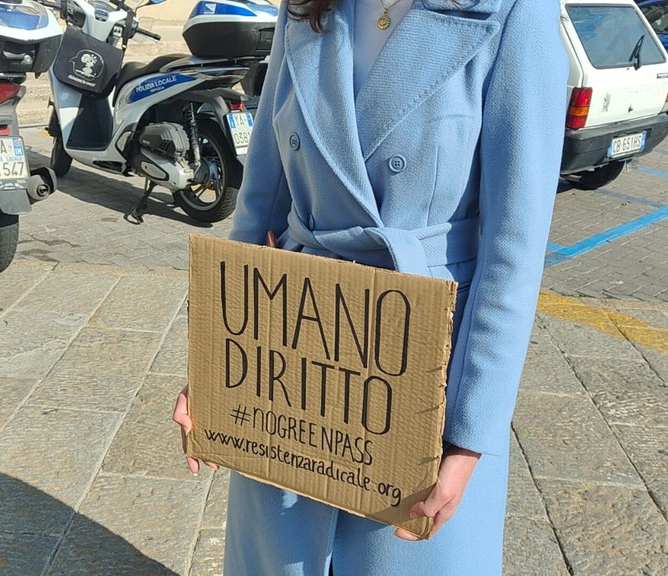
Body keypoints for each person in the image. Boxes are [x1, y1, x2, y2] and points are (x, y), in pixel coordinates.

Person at [174, 0, 567, 572]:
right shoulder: (307, 5)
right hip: (291, 350)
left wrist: (468, 437)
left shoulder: (513, 11)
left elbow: (513, 251)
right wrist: (217, 368)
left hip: (426, 364)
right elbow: (261, 198)